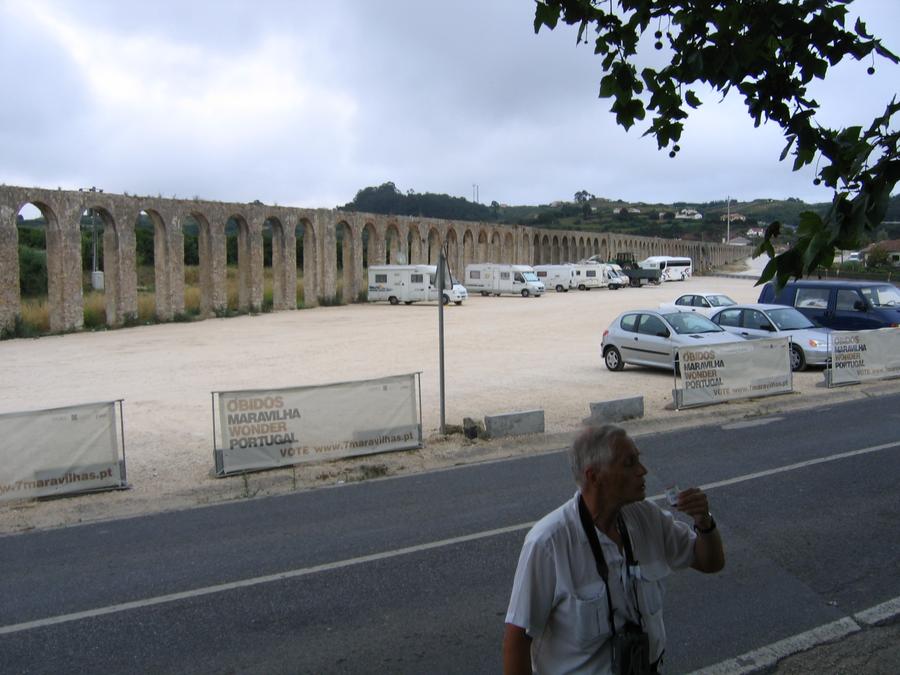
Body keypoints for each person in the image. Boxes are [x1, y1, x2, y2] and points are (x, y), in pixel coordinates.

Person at [503, 425, 725, 674]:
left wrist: (704, 522)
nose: (643, 471)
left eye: (638, 460)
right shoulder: (548, 543)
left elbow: (710, 562)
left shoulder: (647, 518)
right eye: (629, 463)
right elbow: (517, 641)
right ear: (594, 476)